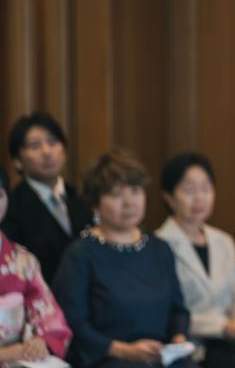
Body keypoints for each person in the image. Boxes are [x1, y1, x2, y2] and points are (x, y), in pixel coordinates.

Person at [53, 150, 198, 368]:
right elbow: (74, 323)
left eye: (136, 191)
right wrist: (124, 350)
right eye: (116, 194)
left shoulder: (160, 248)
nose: (129, 202)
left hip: (163, 357)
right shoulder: (80, 254)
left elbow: (178, 310)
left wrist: (178, 340)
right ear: (95, 203)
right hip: (109, 359)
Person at [157, 154, 235, 368]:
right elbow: (167, 311)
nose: (199, 198)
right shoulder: (159, 244)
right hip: (192, 347)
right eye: (189, 190)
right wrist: (223, 327)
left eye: (206, 188)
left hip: (232, 343)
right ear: (169, 196)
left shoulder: (224, 241)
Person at [2, 112, 93, 283]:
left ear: (64, 150)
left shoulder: (84, 198)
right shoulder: (11, 207)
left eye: (52, 142)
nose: (47, 151)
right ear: (17, 161)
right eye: (35, 146)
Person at [0, 164, 72, 364]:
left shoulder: (23, 261)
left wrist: (41, 341)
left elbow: (47, 314)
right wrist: (5, 354)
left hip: (19, 358)